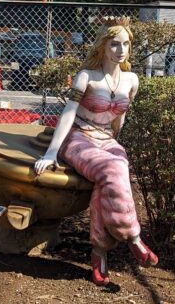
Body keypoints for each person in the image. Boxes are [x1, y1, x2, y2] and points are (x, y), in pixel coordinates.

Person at [33, 18, 159, 285]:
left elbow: (119, 118)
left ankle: (98, 253)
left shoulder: (132, 80)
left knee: (112, 172)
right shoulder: (86, 77)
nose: (121, 50)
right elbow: (67, 114)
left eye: (125, 44)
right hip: (78, 138)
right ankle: (133, 237)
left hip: (106, 140)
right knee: (114, 169)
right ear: (103, 46)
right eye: (114, 44)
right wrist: (51, 153)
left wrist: (114, 144)